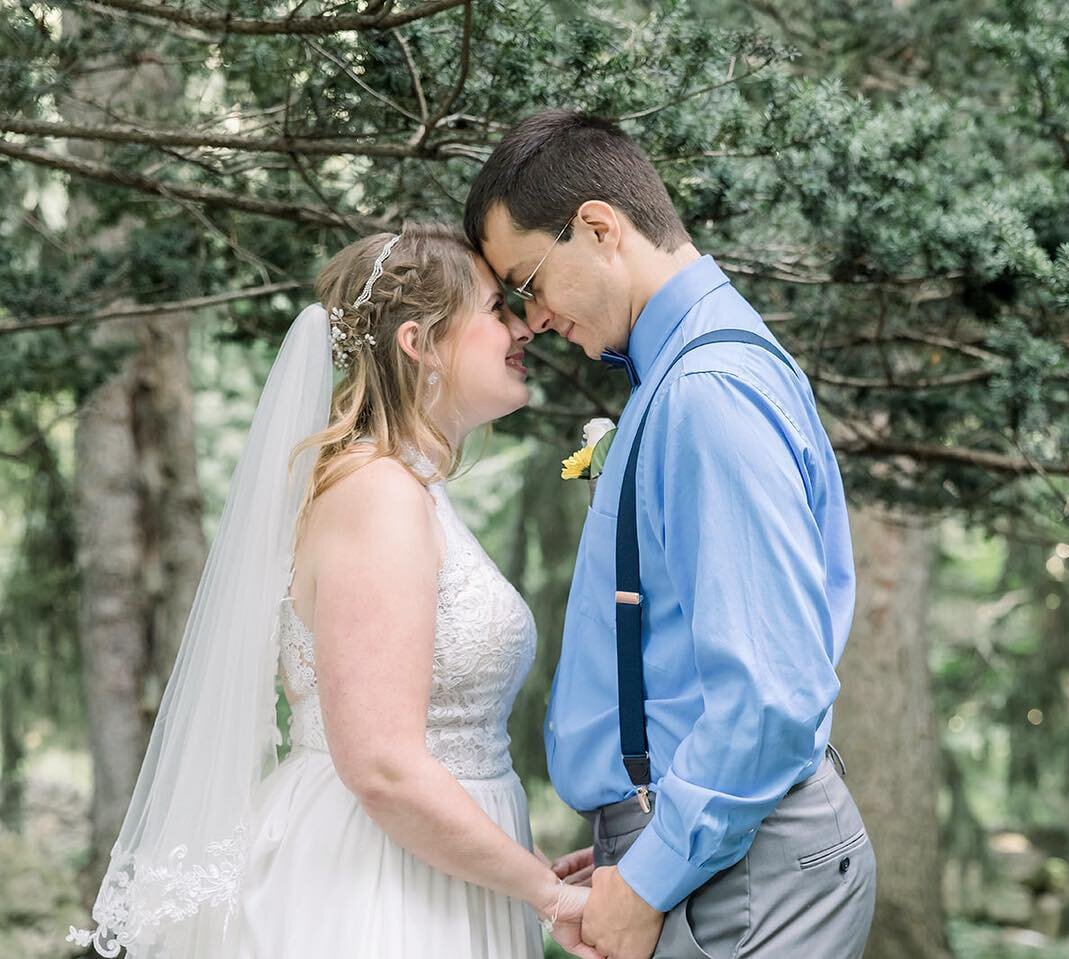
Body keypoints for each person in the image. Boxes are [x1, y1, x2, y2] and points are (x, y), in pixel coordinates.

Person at [67, 224, 596, 959]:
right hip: (373, 882)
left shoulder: (410, 486)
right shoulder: (375, 491)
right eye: (494, 309)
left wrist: (522, 869)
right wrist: (551, 896)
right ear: (418, 342)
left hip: (438, 866)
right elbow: (382, 763)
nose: (523, 326)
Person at [465, 111, 877, 959]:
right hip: (708, 845)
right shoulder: (687, 372)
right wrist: (632, 834)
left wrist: (651, 869)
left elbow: (771, 691)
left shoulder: (709, 390)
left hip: (741, 865)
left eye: (528, 281)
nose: (532, 319)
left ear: (599, 227)